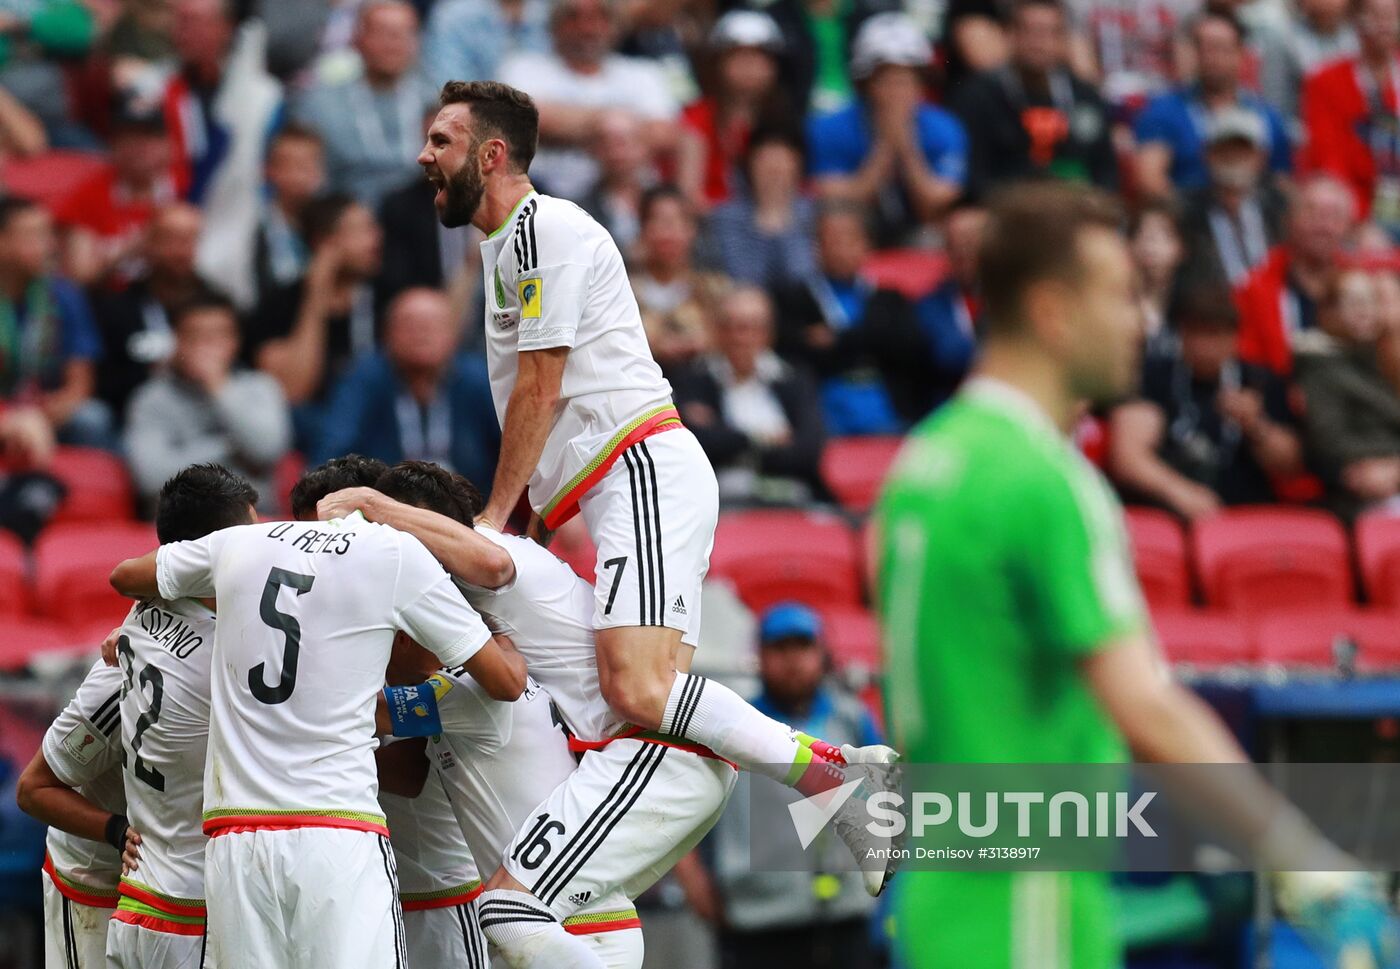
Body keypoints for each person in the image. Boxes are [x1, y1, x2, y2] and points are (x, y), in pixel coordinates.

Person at [416, 79, 898, 967]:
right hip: (610, 487)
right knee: (644, 708)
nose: (424, 155)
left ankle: (837, 770)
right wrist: (521, 518)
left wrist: (492, 516)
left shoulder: (545, 228)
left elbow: (541, 383)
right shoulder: (497, 251)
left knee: (637, 691)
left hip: (636, 467)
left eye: (441, 140)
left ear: (490, 154)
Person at [875, 180, 1397, 969]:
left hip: (943, 894)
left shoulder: (923, 463)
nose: (1139, 320)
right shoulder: (1042, 478)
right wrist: (1302, 857)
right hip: (1030, 903)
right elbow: (1143, 701)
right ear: (1053, 311)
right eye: (1119, 295)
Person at [107, 482, 526, 969]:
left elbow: (125, 575)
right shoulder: (394, 552)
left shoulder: (242, 542)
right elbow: (504, 682)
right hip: (337, 830)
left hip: (235, 842)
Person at [106, 464, 258, 968]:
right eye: (252, 544)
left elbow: (125, 576)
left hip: (139, 898)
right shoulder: (231, 653)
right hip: (196, 911)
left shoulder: (139, 615)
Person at [687, 603, 882, 969]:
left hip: (848, 921)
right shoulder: (731, 729)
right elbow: (684, 811)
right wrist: (697, 887)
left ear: (822, 653)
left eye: (803, 647)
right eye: (779, 648)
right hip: (758, 925)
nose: (792, 660)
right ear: (759, 656)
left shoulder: (852, 722)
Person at [1109, 284, 1303, 520]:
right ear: (1181, 334)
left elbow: (1291, 466)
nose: (1206, 347)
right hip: (1169, 514)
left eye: (1216, 335)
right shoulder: (1154, 376)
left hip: (1246, 514)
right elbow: (1129, 457)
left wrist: (1256, 425)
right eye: (1197, 334)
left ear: (1234, 337)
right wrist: (1180, 493)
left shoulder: (1259, 380)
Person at [156, 0, 283, 310]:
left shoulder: (261, 98)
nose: (186, 32)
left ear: (226, 28)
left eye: (198, 22)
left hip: (237, 221)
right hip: (166, 220)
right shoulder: (154, 87)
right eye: (181, 21)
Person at [124, 293, 292, 515]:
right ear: (177, 340)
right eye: (197, 336)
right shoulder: (150, 398)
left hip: (253, 521)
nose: (208, 347)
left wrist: (219, 388)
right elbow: (151, 478)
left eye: (219, 335)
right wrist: (231, 448)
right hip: (181, 526)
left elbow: (266, 450)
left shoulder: (260, 387)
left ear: (236, 341)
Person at [807, 13, 967, 246]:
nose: (897, 91)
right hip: (856, 236)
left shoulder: (944, 128)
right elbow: (839, 203)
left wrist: (907, 147)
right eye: (886, 80)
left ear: (921, 83)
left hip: (920, 235)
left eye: (905, 79)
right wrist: (884, 148)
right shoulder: (828, 128)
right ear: (865, 84)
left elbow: (935, 206)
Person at [314, 287, 500, 486]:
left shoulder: (478, 379)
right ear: (386, 333)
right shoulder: (365, 378)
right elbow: (332, 453)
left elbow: (512, 448)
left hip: (470, 509)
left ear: (454, 335)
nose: (421, 333)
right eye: (410, 324)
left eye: (432, 325)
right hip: (381, 506)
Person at [497, 0, 679, 202]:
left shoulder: (643, 73)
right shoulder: (524, 68)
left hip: (627, 205)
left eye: (600, 17)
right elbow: (522, 123)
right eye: (574, 17)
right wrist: (616, 124)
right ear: (554, 24)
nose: (588, 29)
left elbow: (664, 134)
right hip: (541, 200)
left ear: (616, 25)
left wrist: (564, 126)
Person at [772, 203, 931, 434]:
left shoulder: (890, 297)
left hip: (890, 411)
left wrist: (837, 339)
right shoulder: (792, 298)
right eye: (831, 239)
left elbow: (908, 346)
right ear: (816, 247)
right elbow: (793, 350)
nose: (840, 248)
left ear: (867, 246)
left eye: (850, 239)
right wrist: (871, 338)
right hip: (823, 416)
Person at [247, 194, 385, 450]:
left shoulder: (384, 295)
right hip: (311, 427)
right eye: (361, 230)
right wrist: (316, 295)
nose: (376, 239)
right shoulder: (281, 303)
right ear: (325, 242)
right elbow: (294, 390)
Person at [15, 659, 129, 969]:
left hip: (165, 884)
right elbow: (32, 791)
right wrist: (118, 831)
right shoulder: (119, 680)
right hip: (95, 885)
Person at [671, 287, 826, 506]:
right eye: (731, 328)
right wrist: (764, 439)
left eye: (751, 328)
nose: (741, 338)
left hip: (792, 496)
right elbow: (697, 448)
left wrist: (727, 438)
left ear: (769, 333)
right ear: (718, 332)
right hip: (719, 501)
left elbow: (808, 452)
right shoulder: (692, 379)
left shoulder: (794, 378)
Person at [952, 0, 1117, 198]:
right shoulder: (978, 96)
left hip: (1072, 208)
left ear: (1065, 40)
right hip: (1005, 209)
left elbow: (1105, 173)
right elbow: (972, 178)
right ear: (1009, 35)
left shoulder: (1085, 97)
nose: (1039, 43)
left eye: (1050, 33)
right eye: (1031, 31)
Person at [294, 0, 437, 210]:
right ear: (357, 39)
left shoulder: (437, 102)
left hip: (420, 226)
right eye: (383, 33)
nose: (394, 44)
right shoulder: (320, 106)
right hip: (346, 222)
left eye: (405, 34)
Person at [1133, 8, 1291, 198]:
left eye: (1221, 47)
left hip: (1253, 215)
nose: (1212, 57)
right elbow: (1150, 181)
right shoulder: (1164, 111)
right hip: (1187, 214)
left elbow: (1282, 183)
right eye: (1203, 47)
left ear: (1241, 53)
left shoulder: (1265, 116)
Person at [0, 196, 111, 449]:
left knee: (93, 419)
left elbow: (80, 382)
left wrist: (56, 408)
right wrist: (12, 420)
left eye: (49, 235)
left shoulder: (64, 295)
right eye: (34, 236)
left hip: (46, 411)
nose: (50, 246)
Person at [91, 202, 214, 422]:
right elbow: (102, 385)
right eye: (172, 239)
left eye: (190, 239)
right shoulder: (117, 308)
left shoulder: (218, 306)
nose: (182, 250)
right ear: (149, 244)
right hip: (134, 420)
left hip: (205, 419)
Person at [1295, 267, 1400, 517]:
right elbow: (1329, 442)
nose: (1364, 311)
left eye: (1370, 301)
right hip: (1359, 493)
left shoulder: (1377, 358)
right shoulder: (1320, 365)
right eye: (1352, 303)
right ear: (1327, 313)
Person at [1235, 173, 1357, 374]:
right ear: (1290, 220)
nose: (1323, 226)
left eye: (1334, 216)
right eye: (1313, 214)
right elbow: (1248, 358)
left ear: (1349, 228)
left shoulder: (1364, 284)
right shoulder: (1255, 286)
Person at [58, 95, 176, 289]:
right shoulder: (88, 194)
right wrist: (135, 247)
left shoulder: (185, 186)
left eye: (150, 136)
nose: (140, 147)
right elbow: (80, 275)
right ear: (113, 145)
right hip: (110, 299)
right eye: (129, 137)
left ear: (169, 145)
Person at [678, 10, 789, 211]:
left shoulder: (784, 121)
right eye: (738, 56)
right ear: (718, 63)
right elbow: (689, 192)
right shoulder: (698, 117)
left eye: (759, 57)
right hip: (710, 228)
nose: (749, 66)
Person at [1179, 107, 1288, 290]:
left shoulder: (1280, 207)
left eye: (1243, 151)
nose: (1233, 158)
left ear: (1261, 157)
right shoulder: (1185, 211)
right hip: (1212, 310)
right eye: (1224, 150)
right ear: (1207, 155)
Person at [630, 186, 730, 374]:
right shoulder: (622, 288)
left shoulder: (715, 288)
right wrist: (655, 344)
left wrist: (706, 341)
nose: (668, 232)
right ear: (643, 228)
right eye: (658, 221)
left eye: (677, 222)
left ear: (693, 230)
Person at [703, 126, 816, 293]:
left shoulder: (814, 215)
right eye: (767, 165)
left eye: (782, 165)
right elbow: (742, 278)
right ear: (750, 167)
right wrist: (768, 216)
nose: (774, 173)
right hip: (744, 308)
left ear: (797, 168)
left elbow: (803, 277)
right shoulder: (726, 217)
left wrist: (781, 218)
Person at [915, 203, 986, 407]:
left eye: (972, 239)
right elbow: (946, 355)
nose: (965, 249)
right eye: (957, 242)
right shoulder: (930, 304)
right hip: (950, 409)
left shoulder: (1013, 300)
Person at [254, 125, 326, 301]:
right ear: (267, 171)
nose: (301, 175)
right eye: (291, 165)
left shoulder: (333, 225)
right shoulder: (254, 227)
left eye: (309, 164)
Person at [1255, 0, 1356, 118]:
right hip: (1301, 128)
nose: (1325, 3)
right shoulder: (1282, 39)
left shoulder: (1359, 38)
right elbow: (1274, 104)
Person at [421, 0, 550, 89]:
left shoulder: (548, 14)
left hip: (543, 117)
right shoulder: (456, 16)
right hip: (479, 119)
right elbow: (452, 91)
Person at [579, 110, 657, 256]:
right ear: (594, 150)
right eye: (606, 144)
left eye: (624, 143)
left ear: (644, 147)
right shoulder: (579, 210)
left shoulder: (666, 200)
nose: (616, 153)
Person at [1129, 199, 1186, 354]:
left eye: (1163, 235)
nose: (1151, 244)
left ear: (1182, 248)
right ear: (1130, 244)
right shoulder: (1117, 303)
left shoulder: (1191, 304)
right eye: (1142, 233)